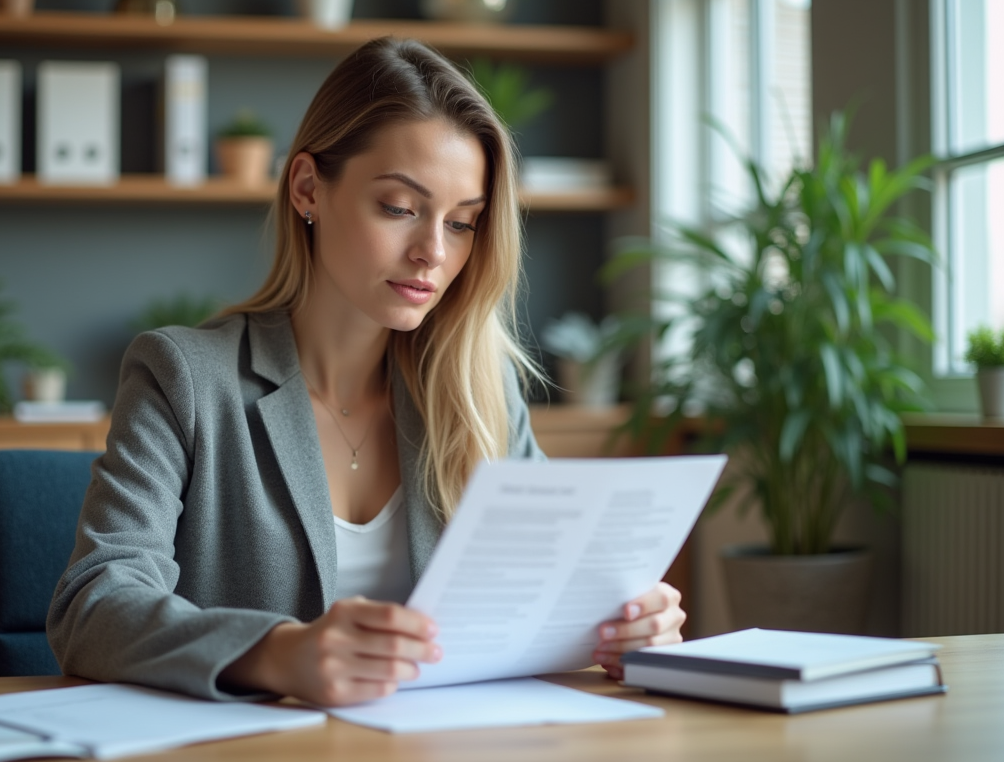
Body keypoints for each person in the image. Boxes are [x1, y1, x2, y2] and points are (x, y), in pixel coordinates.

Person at [46, 36, 685, 707]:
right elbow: (93, 604)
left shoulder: (481, 389)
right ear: (307, 189)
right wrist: (278, 654)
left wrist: (626, 626)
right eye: (400, 208)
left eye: (462, 223)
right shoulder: (185, 379)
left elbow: (551, 595)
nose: (432, 252)